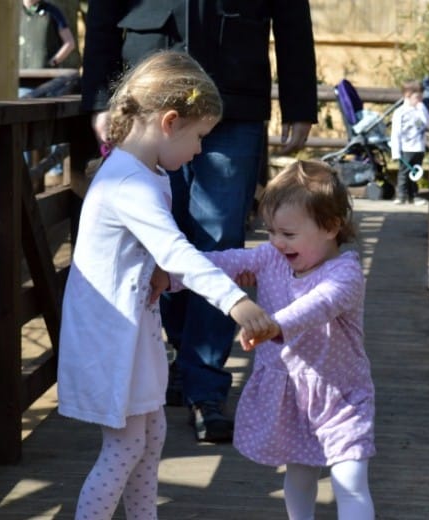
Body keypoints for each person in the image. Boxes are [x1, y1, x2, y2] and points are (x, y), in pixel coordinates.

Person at [80, 0, 319, 443]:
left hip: (234, 91)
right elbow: (102, 10)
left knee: (217, 241)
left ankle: (205, 386)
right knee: (156, 239)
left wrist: (299, 98)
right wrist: (100, 96)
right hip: (149, 89)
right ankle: (178, 359)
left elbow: (290, 11)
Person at [56, 50, 278, 520]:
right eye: (199, 137)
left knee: (150, 436)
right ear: (170, 122)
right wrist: (235, 301)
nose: (199, 151)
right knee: (124, 446)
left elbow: (152, 257)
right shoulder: (129, 184)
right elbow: (175, 249)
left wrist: (161, 273)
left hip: (133, 327)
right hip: (110, 335)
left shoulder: (146, 173)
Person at [168, 159, 376, 519]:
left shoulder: (346, 275)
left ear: (331, 227)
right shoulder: (272, 258)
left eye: (289, 234)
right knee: (298, 472)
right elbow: (226, 262)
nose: (277, 242)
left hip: (339, 397)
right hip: (292, 395)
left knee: (350, 479)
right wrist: (173, 273)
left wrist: (271, 325)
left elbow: (317, 305)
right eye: (271, 232)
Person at [19, 0, 77, 183]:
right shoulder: (14, 14)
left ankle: (55, 172)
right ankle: (24, 173)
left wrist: (53, 61)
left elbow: (69, 43)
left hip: (49, 79)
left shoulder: (52, 11)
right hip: (22, 79)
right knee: (21, 124)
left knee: (52, 122)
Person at [390, 79, 429, 205]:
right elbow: (395, 133)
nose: (420, 99)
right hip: (406, 148)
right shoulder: (400, 112)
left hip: (419, 148)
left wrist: (422, 109)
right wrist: (395, 152)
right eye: (417, 96)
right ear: (407, 95)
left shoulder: (421, 109)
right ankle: (401, 195)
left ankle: (414, 196)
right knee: (404, 173)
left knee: (416, 173)